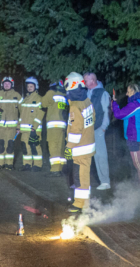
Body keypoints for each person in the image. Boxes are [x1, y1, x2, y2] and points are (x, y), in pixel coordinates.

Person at [64, 72, 96, 213]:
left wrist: (68, 147)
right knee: (84, 175)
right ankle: (85, 202)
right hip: (88, 144)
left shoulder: (75, 106)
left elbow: (75, 129)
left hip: (80, 147)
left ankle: (79, 204)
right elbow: (93, 117)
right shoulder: (87, 100)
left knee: (79, 176)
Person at [112, 83, 140, 189]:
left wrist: (114, 103)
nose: (127, 94)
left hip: (134, 138)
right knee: (139, 163)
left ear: (133, 92)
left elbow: (119, 114)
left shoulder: (135, 104)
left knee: (138, 164)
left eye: (128, 91)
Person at [84, 72, 112, 190]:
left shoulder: (103, 93)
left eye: (85, 81)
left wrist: (103, 127)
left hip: (98, 128)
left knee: (100, 155)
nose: (84, 83)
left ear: (92, 80)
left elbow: (107, 111)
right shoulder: (87, 93)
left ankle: (105, 182)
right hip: (87, 129)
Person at [41, 80, 68, 176]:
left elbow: (43, 103)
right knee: (60, 146)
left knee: (53, 147)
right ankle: (61, 168)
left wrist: (48, 93)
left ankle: (55, 170)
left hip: (53, 125)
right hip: (62, 124)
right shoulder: (63, 95)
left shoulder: (51, 93)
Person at [19, 77, 44, 172]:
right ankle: (27, 164)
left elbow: (40, 114)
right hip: (24, 130)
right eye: (28, 86)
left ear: (35, 87)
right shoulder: (25, 100)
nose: (29, 88)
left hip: (34, 129)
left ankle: (37, 165)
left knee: (35, 147)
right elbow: (21, 115)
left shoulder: (39, 99)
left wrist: (34, 127)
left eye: (31, 86)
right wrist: (18, 127)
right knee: (25, 147)